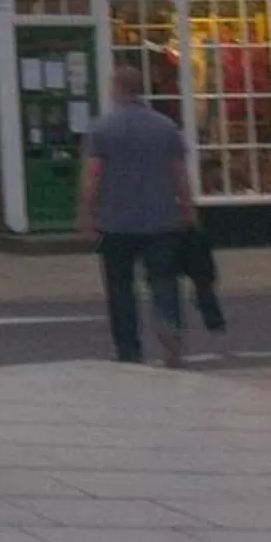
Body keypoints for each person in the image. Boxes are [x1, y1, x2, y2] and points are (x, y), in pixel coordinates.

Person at [77, 64, 197, 366]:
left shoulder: (103, 129)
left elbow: (93, 176)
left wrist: (87, 215)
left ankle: (129, 350)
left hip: (116, 222)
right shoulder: (166, 127)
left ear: (116, 89)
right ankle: (169, 324)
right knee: (163, 279)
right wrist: (189, 209)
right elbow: (180, 174)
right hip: (161, 219)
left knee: (120, 287)